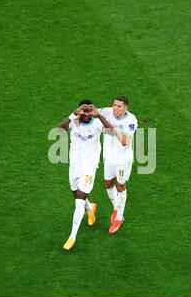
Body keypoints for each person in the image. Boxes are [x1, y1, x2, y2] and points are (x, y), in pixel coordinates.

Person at [57, 100, 113, 251]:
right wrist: (74, 113)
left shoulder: (96, 124)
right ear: (80, 110)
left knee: (79, 201)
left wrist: (99, 114)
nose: (87, 114)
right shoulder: (73, 122)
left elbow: (110, 130)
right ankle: (91, 207)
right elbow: (59, 129)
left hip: (89, 168)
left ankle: (72, 237)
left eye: (89, 110)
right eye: (84, 110)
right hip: (74, 167)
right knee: (76, 195)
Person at [99, 96, 138, 234]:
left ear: (125, 108)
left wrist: (112, 128)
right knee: (108, 183)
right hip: (108, 158)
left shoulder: (131, 120)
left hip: (122, 160)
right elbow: (93, 113)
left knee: (121, 185)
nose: (115, 108)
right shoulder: (108, 111)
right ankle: (116, 207)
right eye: (114, 105)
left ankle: (119, 217)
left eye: (119, 106)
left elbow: (124, 141)